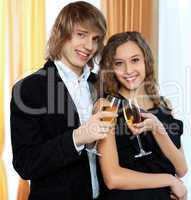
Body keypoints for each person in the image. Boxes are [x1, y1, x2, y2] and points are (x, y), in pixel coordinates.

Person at [10, 2, 114, 200]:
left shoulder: (101, 86)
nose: (89, 46)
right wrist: (78, 137)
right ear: (61, 33)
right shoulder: (29, 89)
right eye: (81, 34)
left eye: (95, 38)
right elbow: (26, 164)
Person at [95, 32, 188, 200]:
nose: (128, 70)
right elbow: (112, 179)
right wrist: (169, 180)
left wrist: (157, 128)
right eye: (119, 63)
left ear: (146, 61)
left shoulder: (163, 104)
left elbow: (181, 168)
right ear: (111, 68)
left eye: (135, 60)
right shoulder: (108, 107)